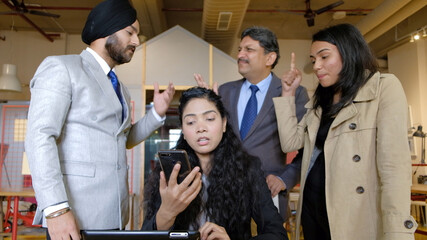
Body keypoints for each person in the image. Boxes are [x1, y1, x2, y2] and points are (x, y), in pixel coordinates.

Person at [25, 0, 175, 239]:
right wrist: (55, 209)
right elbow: (39, 137)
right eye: (130, 32)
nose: (136, 41)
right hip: (73, 215)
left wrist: (156, 114)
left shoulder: (120, 88)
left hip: (113, 215)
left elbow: (123, 139)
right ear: (108, 29)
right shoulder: (62, 68)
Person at [273, 23, 417, 240]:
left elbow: (394, 167)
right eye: (313, 60)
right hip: (313, 209)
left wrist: (398, 232)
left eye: (324, 57)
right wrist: (288, 93)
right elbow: (290, 142)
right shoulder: (321, 101)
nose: (317, 66)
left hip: (352, 215)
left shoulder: (382, 87)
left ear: (348, 52)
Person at [142, 87, 288, 240]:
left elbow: (278, 234)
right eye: (191, 122)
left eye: (210, 119)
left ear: (224, 123)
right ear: (183, 131)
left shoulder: (247, 168)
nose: (201, 128)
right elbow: (144, 235)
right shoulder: (169, 172)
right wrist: (167, 212)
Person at [194, 26, 309, 220]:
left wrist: (284, 179)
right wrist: (204, 107)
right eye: (239, 49)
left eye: (249, 49)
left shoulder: (294, 92)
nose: (241, 54)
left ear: (270, 58)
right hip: (225, 193)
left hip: (268, 192)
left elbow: (306, 149)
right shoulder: (224, 91)